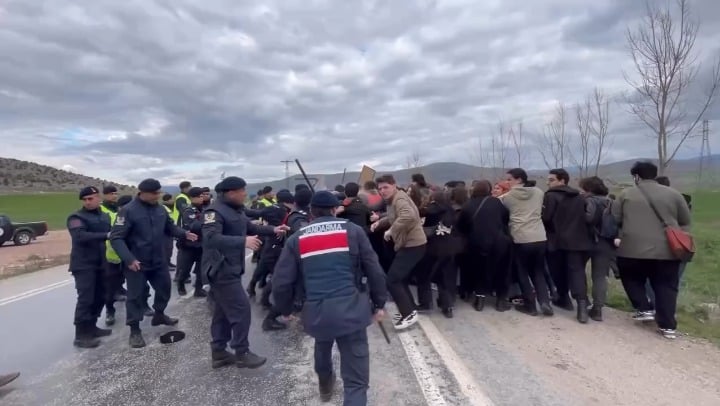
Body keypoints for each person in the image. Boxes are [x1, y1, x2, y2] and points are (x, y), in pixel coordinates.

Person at [272, 190, 388, 404]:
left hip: (316, 312)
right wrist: (379, 303)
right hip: (352, 310)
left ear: (311, 211)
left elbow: (281, 282)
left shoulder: (297, 239)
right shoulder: (353, 231)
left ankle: (325, 384)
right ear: (335, 209)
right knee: (356, 382)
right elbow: (374, 270)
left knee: (322, 343)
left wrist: (286, 310)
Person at [201, 176, 288, 369]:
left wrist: (274, 229)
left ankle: (219, 352)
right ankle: (242, 352)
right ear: (231, 192)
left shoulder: (235, 209)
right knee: (241, 309)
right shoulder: (214, 212)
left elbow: (251, 227)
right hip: (220, 269)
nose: (244, 194)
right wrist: (243, 241)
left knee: (222, 312)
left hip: (231, 267)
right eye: (242, 191)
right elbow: (211, 238)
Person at [110, 178, 198, 348]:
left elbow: (170, 227)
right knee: (135, 297)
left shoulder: (160, 209)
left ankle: (159, 314)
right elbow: (116, 238)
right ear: (142, 193)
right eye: (154, 193)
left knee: (164, 289)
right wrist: (129, 259)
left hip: (158, 260)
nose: (157, 196)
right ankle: (135, 330)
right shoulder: (128, 211)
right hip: (137, 263)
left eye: (158, 192)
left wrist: (184, 233)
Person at [612, 161, 691, 339]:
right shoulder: (674, 194)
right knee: (666, 286)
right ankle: (668, 326)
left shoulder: (625, 194)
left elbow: (615, 219)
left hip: (632, 249)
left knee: (630, 277)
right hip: (667, 251)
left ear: (636, 176)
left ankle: (643, 307)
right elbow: (685, 220)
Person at [370, 174, 426, 330]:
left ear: (394, 185)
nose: (382, 191)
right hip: (409, 244)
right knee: (400, 279)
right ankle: (409, 310)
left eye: (386, 187)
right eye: (380, 188)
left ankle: (408, 314)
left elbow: (408, 215)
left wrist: (391, 230)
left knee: (392, 280)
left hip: (413, 245)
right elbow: (394, 216)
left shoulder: (399, 199)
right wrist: (380, 222)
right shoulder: (394, 199)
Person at [542, 168, 594, 323]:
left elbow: (546, 218)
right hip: (578, 240)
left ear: (562, 180)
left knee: (557, 271)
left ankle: (564, 298)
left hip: (556, 240)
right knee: (577, 272)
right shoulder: (579, 197)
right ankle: (582, 307)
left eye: (551, 180)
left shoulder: (550, 196)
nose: (548, 182)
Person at [67, 186, 113, 348]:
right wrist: (106, 235)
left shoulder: (104, 216)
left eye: (90, 198)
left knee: (101, 296)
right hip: (83, 265)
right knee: (86, 299)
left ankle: (92, 326)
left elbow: (113, 232)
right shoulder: (76, 217)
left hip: (101, 262)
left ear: (98, 198)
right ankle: (81, 335)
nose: (87, 202)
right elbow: (80, 236)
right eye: (85, 199)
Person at [502, 168, 553, 317]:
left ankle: (530, 305)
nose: (507, 182)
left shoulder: (507, 197)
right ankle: (545, 302)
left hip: (520, 238)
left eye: (510, 179)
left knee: (522, 272)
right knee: (538, 271)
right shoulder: (539, 192)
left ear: (518, 179)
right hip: (539, 236)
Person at [176, 187, 206, 297]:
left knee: (201, 269)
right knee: (185, 269)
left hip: (202, 244)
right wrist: (207, 222)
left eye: (202, 196)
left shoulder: (204, 209)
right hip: (189, 245)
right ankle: (180, 284)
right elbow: (194, 226)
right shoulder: (189, 210)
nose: (202, 198)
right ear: (192, 198)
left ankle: (198, 289)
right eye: (199, 196)